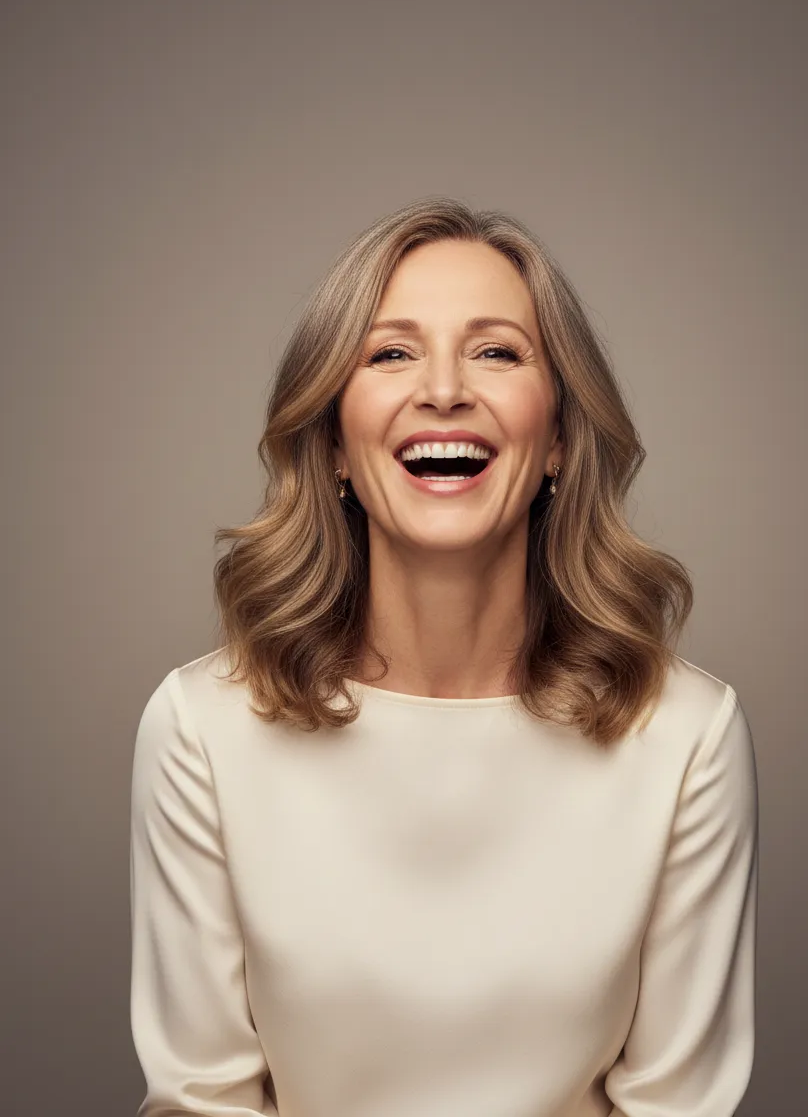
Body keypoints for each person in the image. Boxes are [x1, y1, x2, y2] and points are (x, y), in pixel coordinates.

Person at [129, 197, 759, 1117]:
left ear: (558, 442)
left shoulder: (688, 739)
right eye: (391, 353)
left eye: (497, 351)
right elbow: (200, 1103)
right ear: (335, 442)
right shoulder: (202, 729)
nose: (444, 390)